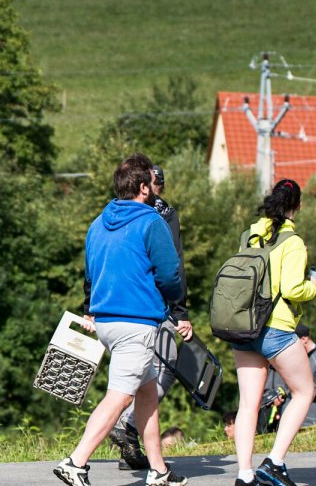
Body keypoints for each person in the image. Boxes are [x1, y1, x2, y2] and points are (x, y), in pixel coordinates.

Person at [54, 153, 188, 486]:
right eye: (152, 184)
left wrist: (91, 307)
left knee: (146, 393)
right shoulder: (151, 222)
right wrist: (174, 300)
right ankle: (76, 462)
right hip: (136, 322)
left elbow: (90, 274)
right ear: (143, 188)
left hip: (106, 320)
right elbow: (171, 274)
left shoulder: (97, 224)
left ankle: (158, 469)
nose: (155, 189)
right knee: (120, 395)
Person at [229, 179, 316, 486]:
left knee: (248, 403)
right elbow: (292, 289)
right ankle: (274, 462)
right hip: (276, 328)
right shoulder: (292, 241)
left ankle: (245, 474)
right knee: (305, 391)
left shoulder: (250, 235)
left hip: (244, 326)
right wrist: (315, 287)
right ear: (298, 206)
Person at [110, 165, 194, 471]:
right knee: (164, 368)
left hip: (118, 302)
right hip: (155, 305)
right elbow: (173, 265)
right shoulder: (162, 214)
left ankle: (131, 451)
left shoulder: (117, 212)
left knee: (139, 373)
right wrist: (180, 311)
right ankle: (127, 422)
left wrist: (91, 304)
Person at [262, 324, 316, 428]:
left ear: (304, 339)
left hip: (311, 422)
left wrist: (304, 386)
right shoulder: (298, 357)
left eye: (293, 342)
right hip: (290, 419)